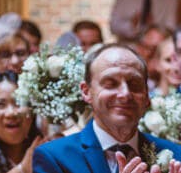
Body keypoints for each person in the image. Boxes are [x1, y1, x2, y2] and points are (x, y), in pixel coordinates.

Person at [33, 44, 181, 173]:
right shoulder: (55, 157)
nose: (125, 94)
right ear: (86, 91)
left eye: (134, 84)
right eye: (111, 83)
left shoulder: (175, 155)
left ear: (147, 95)